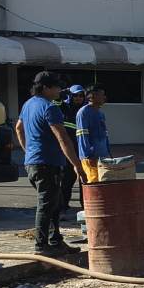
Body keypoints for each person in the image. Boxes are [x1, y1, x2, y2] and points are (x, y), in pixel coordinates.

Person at [15, 71, 85, 256]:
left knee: (55, 203)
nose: (59, 89)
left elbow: (18, 128)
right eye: (56, 86)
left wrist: (27, 151)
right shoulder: (50, 108)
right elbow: (63, 138)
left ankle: (55, 241)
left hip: (33, 162)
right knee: (46, 205)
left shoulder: (28, 105)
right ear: (45, 87)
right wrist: (77, 165)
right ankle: (41, 246)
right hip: (47, 163)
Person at [58, 84, 86, 212]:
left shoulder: (85, 109)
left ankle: (85, 205)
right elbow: (55, 100)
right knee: (67, 179)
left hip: (82, 150)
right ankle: (63, 205)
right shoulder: (63, 107)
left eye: (81, 95)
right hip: (68, 150)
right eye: (75, 95)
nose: (78, 98)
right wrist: (65, 91)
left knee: (84, 179)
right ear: (70, 96)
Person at [75, 84, 110, 184]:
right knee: (94, 185)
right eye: (101, 95)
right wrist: (88, 155)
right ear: (91, 96)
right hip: (91, 158)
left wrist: (108, 152)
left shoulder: (101, 114)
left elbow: (105, 134)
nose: (104, 97)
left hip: (103, 157)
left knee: (104, 184)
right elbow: (82, 135)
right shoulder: (83, 112)